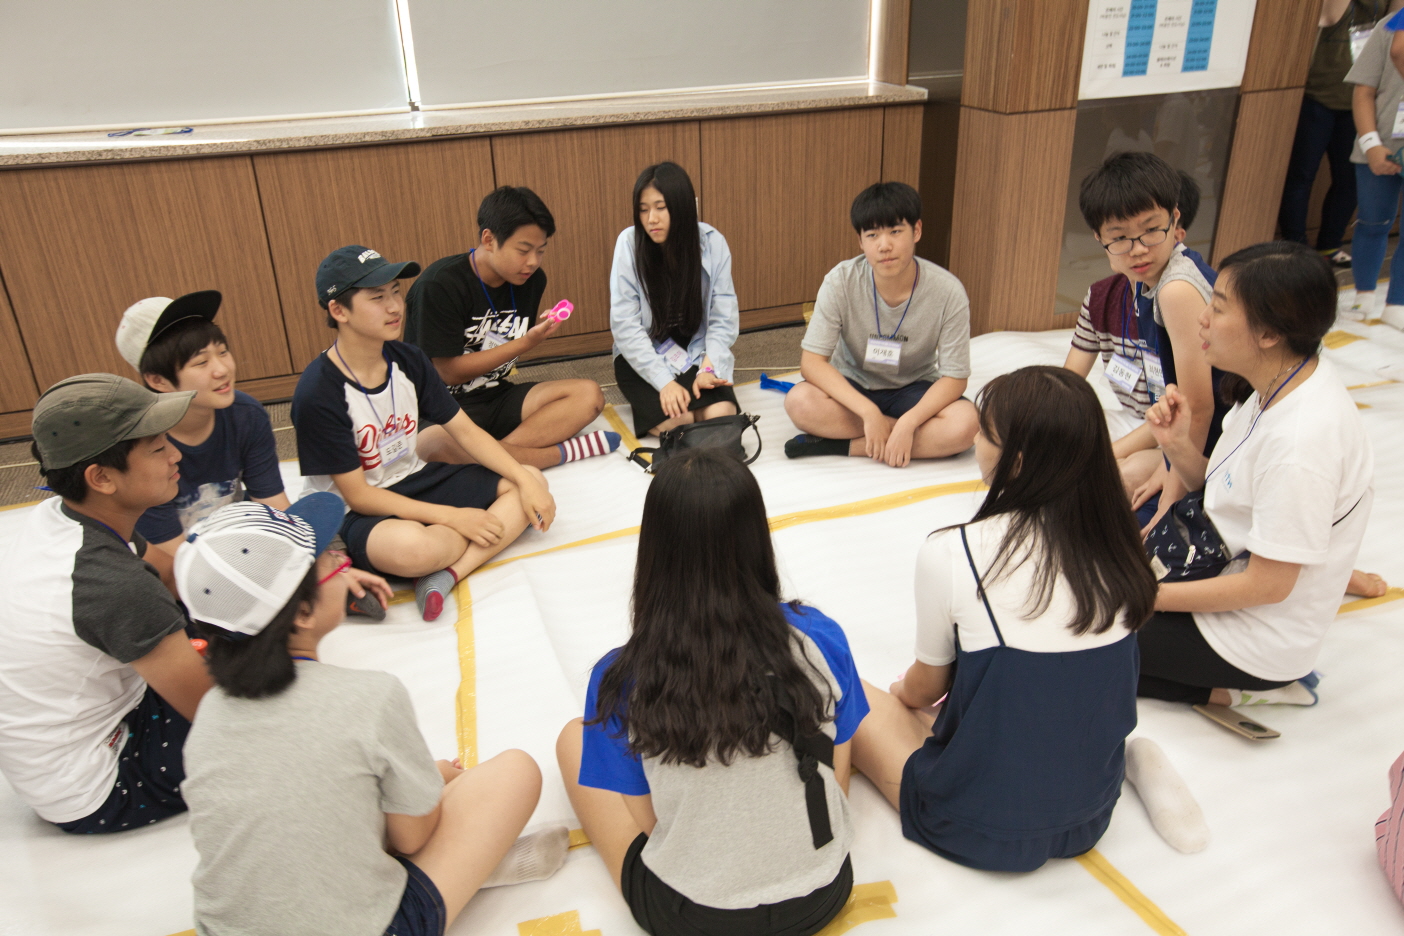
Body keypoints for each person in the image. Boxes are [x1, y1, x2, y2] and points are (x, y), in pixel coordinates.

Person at [178, 496, 567, 936]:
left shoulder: (208, 718)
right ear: (302, 612)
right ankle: (473, 870)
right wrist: (433, 778)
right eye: (329, 559)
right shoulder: (370, 696)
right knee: (515, 772)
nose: (340, 560)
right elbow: (412, 837)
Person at [849, 366, 1157, 872]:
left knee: (846, 690)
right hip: (1091, 816)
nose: (974, 441)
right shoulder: (1118, 542)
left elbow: (925, 689)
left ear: (1014, 462)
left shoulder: (954, 551)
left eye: (984, 433)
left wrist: (901, 695)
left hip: (976, 825)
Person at [556, 449, 866, 936]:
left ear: (655, 549)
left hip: (695, 919)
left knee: (573, 739)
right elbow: (838, 769)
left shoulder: (623, 678)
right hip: (823, 892)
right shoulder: (819, 637)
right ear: (757, 537)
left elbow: (651, 823)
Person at [1139, 242, 1374, 707]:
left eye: (1218, 307)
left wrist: (1144, 597)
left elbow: (1268, 585)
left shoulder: (1303, 442)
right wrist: (1177, 446)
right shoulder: (1275, 384)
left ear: (1268, 333)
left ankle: (1238, 691)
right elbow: (1225, 493)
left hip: (1250, 638)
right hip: (1209, 564)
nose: (1202, 318)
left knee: (1077, 642)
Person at [291, 245, 556, 622]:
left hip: (413, 477)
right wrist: (452, 517)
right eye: (377, 297)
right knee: (416, 549)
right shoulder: (319, 391)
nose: (394, 307)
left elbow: (466, 431)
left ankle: (447, 574)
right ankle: (436, 556)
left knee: (530, 481)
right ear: (339, 311)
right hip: (354, 510)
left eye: (395, 292)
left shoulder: (408, 359)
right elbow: (359, 495)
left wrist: (523, 480)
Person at [0, 375, 210, 833]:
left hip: (54, 760)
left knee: (224, 620)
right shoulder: (112, 583)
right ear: (101, 478)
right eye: (157, 448)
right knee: (275, 683)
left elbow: (173, 575)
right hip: (103, 782)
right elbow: (218, 714)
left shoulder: (64, 515)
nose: (176, 455)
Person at [404, 186, 616, 468]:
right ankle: (557, 454)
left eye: (540, 251)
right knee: (434, 446)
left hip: (495, 395)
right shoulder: (440, 284)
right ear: (489, 239)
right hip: (437, 408)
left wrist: (534, 333)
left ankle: (493, 458)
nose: (533, 262)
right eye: (523, 250)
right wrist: (525, 343)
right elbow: (449, 372)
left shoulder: (531, 281)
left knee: (588, 395)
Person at [1069, 152, 1222, 531]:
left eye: (1151, 230)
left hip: (1220, 445)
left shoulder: (1176, 289)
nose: (1137, 248)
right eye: (1119, 237)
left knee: (1104, 498)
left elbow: (1200, 409)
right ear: (1099, 238)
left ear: (1175, 221)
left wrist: (1168, 504)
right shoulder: (1143, 281)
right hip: (1185, 437)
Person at [783, 182, 978, 466]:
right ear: (861, 242)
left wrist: (909, 423)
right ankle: (897, 437)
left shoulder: (948, 291)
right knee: (799, 402)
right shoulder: (841, 281)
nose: (884, 246)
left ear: (917, 231)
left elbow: (955, 377)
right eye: (872, 235)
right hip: (853, 383)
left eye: (895, 231)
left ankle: (849, 445)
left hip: (913, 386)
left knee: (967, 424)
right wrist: (868, 412)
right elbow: (812, 363)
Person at [114, 290, 289, 552]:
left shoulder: (246, 415)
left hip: (237, 544)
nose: (222, 370)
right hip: (174, 562)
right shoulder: (139, 448)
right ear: (158, 380)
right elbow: (172, 556)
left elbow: (274, 505)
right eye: (201, 362)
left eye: (223, 352)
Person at [610, 161, 740, 437]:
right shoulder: (629, 244)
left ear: (681, 207)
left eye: (661, 208)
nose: (651, 219)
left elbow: (723, 318)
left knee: (721, 416)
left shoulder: (712, 242)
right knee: (680, 423)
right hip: (643, 351)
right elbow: (625, 327)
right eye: (643, 210)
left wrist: (708, 367)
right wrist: (664, 382)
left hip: (694, 348)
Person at [1279, 1, 1395, 268]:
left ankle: (1330, 244)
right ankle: (1295, 247)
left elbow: (1395, 24)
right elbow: (1329, 17)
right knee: (1301, 176)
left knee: (1349, 179)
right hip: (1317, 94)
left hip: (1361, 101)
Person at [1346, 12, 1404, 327]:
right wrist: (1371, 145)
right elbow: (1363, 91)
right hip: (1379, 143)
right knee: (1372, 221)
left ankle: (1398, 302)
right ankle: (1363, 295)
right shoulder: (1390, 26)